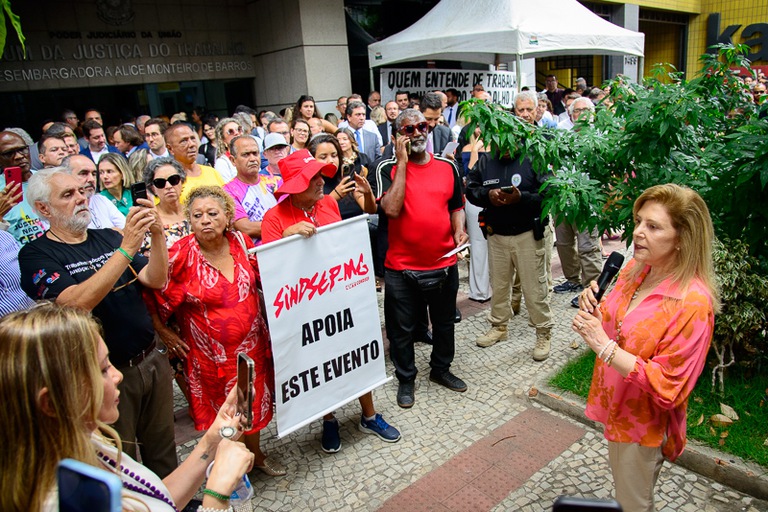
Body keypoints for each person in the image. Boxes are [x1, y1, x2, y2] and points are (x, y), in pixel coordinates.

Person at [0, 303, 254, 512]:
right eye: (102, 370)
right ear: (51, 403)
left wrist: (212, 440)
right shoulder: (62, 500)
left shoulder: (80, 440)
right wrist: (216, 493)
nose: (117, 376)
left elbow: (158, 502)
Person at [19, 167, 178, 478]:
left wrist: (156, 235)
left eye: (82, 191)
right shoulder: (35, 254)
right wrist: (126, 249)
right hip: (102, 376)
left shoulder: (106, 236)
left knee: (163, 447)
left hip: (150, 359)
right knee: (120, 461)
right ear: (43, 208)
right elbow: (76, 304)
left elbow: (155, 278)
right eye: (68, 194)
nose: (81, 199)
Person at [574, 184, 719, 512]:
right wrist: (596, 311)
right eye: (638, 221)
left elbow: (668, 386)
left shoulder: (693, 303)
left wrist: (602, 344)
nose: (638, 232)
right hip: (618, 404)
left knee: (633, 503)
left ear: (682, 238)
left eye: (653, 226)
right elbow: (620, 325)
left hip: (643, 425)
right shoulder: (636, 269)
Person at [261, 149, 401, 453]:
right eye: (312, 178)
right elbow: (271, 269)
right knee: (321, 361)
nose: (321, 182)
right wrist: (287, 234)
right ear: (296, 186)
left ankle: (370, 414)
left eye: (319, 175)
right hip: (306, 308)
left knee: (356, 350)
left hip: (341, 296)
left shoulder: (326, 203)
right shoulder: (275, 218)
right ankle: (329, 419)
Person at [153, 185, 284, 476]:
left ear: (227, 216)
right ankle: (229, 472)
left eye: (212, 214)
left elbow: (267, 275)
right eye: (197, 215)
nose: (205, 220)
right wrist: (163, 330)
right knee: (223, 419)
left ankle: (256, 456)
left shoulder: (241, 241)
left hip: (252, 349)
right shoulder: (180, 255)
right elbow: (152, 293)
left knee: (252, 406)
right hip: (210, 357)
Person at [377, 109, 469, 409]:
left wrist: (459, 232)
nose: (417, 132)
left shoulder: (447, 166)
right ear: (397, 136)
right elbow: (390, 210)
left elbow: (456, 206)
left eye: (422, 126)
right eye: (408, 129)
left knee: (444, 323)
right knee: (400, 329)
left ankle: (441, 369)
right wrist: (402, 163)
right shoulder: (387, 168)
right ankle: (406, 378)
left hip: (443, 262)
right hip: (401, 268)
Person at [465, 91, 554, 360]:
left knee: (533, 288)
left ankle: (543, 332)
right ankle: (499, 326)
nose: (504, 141)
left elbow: (548, 194)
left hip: (527, 233)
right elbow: (471, 189)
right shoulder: (486, 161)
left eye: (509, 135)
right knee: (500, 285)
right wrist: (487, 196)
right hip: (497, 235)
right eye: (497, 136)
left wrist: (521, 198)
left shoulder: (533, 159)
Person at [223, 136, 280, 245]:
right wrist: (285, 228)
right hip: (256, 255)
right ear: (233, 160)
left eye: (255, 153)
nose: (253, 159)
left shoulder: (275, 181)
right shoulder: (228, 192)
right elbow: (246, 227)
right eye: (246, 154)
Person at [213, 117, 244, 182]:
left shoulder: (252, 155)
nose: (236, 133)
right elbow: (226, 188)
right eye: (230, 131)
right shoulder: (222, 163)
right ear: (223, 140)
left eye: (239, 129)